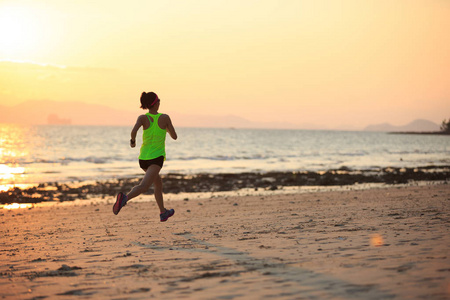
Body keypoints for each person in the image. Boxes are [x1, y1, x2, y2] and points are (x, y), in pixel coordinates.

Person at [113, 92, 178, 221]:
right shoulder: (165, 118)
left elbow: (133, 131)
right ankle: (124, 198)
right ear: (156, 103)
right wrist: (165, 128)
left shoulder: (143, 118)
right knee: (144, 186)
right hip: (156, 159)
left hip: (143, 159)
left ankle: (163, 212)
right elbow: (174, 136)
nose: (160, 102)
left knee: (158, 183)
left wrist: (133, 142)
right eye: (159, 100)